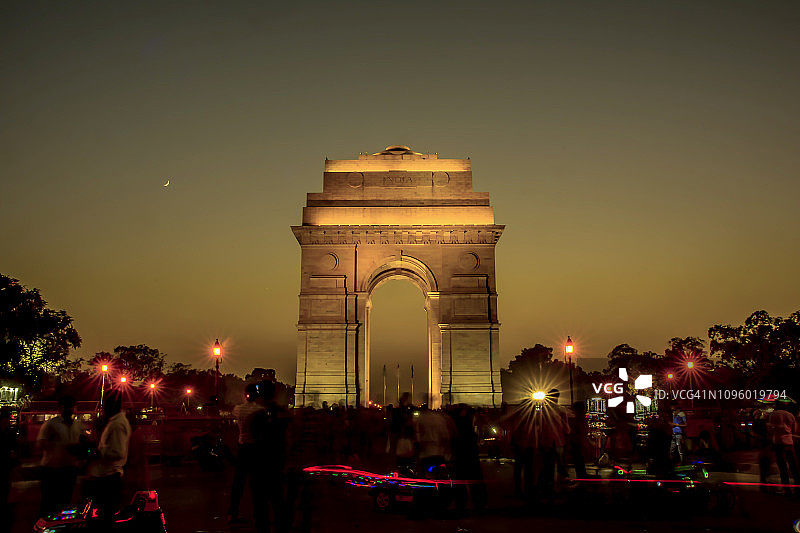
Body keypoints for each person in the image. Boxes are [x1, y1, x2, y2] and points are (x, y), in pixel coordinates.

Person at [85, 389, 132, 525]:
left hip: (109, 477)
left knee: (104, 517)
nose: (103, 407)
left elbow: (118, 452)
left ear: (112, 404)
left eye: (105, 403)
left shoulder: (117, 424)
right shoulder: (116, 422)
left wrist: (98, 453)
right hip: (108, 476)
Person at [37, 396, 84, 518]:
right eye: (67, 407)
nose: (70, 410)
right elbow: (39, 445)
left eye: (71, 407)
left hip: (69, 469)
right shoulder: (51, 424)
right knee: (49, 503)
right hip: (52, 470)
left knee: (65, 502)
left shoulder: (78, 425)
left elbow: (82, 443)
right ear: (60, 408)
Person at [228, 383, 266, 525]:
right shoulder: (260, 410)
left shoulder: (238, 409)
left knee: (238, 483)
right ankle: (258, 515)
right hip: (256, 450)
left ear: (245, 395)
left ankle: (232, 513)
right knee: (257, 485)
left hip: (242, 448)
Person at [768, 399, 800, 494]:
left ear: (776, 405)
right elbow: (794, 429)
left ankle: (786, 488)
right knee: (793, 464)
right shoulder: (790, 415)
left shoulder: (773, 415)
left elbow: (770, 429)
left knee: (782, 465)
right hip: (789, 442)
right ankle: (797, 485)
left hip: (778, 442)